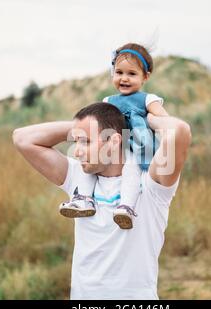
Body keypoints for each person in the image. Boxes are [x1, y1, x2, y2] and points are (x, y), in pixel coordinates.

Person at [13, 102, 191, 299]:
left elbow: (180, 131)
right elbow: (22, 138)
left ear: (114, 141)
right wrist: (80, 128)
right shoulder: (78, 178)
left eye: (86, 142)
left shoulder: (150, 184)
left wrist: (138, 121)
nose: (77, 151)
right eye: (76, 141)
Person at [59, 43, 169, 230]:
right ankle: (84, 199)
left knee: (132, 171)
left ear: (145, 77)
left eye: (131, 74)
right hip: (113, 146)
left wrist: (153, 124)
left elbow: (165, 120)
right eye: (119, 73)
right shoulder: (108, 101)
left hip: (135, 146)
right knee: (90, 167)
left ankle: (126, 207)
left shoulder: (148, 99)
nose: (124, 79)